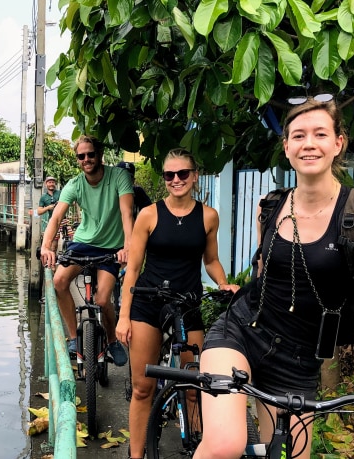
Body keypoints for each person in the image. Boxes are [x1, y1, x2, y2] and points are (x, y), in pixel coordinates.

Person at [194, 96, 354, 459]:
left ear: (338, 143)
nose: (309, 143)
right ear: (286, 146)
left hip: (299, 357)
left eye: (320, 134)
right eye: (299, 135)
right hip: (242, 332)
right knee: (224, 444)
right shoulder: (270, 206)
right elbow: (264, 279)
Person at [116, 148, 238, 459]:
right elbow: (133, 268)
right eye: (169, 175)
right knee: (143, 388)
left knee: (195, 386)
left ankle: (197, 448)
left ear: (194, 176)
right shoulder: (149, 215)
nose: (175, 180)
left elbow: (210, 260)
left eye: (182, 173)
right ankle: (136, 455)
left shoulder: (208, 216)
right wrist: (123, 316)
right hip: (147, 303)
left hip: (188, 304)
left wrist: (223, 283)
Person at [39, 135, 134, 367]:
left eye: (90, 154)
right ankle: (73, 338)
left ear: (99, 155)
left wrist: (128, 248)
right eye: (81, 156)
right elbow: (57, 216)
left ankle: (111, 341)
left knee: (102, 299)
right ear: (78, 159)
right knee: (59, 281)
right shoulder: (74, 184)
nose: (86, 159)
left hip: (111, 246)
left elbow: (126, 213)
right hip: (83, 243)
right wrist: (45, 246)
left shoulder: (118, 177)